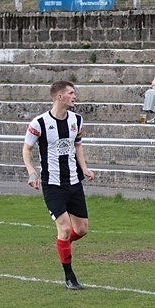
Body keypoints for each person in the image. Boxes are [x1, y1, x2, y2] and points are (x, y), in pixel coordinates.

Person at [22, 81, 94, 290]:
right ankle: (69, 277)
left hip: (73, 182)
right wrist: (32, 172)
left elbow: (77, 146)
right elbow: (26, 150)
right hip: (52, 184)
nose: (75, 96)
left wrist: (85, 168)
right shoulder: (39, 123)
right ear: (59, 96)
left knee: (81, 230)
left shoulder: (77, 120)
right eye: (71, 93)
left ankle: (63, 244)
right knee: (63, 229)